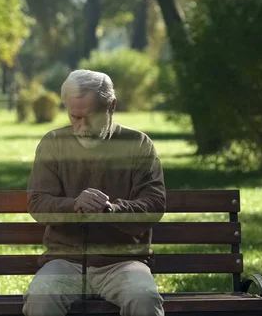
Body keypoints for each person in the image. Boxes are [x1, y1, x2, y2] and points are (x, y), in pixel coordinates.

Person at [22, 69, 166, 316]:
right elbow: (38, 202)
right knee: (40, 298)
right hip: (64, 261)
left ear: (111, 106)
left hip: (123, 263)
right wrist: (74, 205)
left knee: (144, 299)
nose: (81, 126)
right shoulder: (53, 143)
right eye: (73, 117)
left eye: (89, 117)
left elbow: (153, 205)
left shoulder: (138, 144)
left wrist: (110, 209)